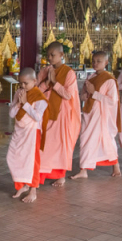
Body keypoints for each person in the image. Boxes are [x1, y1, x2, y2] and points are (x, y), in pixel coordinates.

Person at [37, 42, 81, 186]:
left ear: (61, 55)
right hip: (44, 112)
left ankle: (60, 175)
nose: (49, 57)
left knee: (60, 146)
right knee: (44, 146)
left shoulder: (69, 73)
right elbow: (36, 91)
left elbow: (68, 95)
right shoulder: (44, 71)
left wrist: (55, 83)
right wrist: (46, 82)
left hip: (61, 115)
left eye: (53, 55)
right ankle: (40, 176)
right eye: (48, 55)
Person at [72, 51, 121, 178]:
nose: (95, 63)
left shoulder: (109, 80)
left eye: (99, 61)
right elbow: (84, 96)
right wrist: (84, 95)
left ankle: (115, 165)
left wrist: (94, 93)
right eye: (93, 61)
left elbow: (112, 101)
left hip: (101, 116)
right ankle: (83, 170)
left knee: (106, 140)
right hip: (89, 113)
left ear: (106, 63)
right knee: (85, 140)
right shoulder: (90, 77)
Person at [6, 68, 47, 203]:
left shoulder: (39, 97)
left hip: (32, 132)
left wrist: (26, 104)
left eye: (26, 83)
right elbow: (12, 114)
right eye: (20, 83)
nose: (22, 86)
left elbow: (37, 117)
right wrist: (18, 103)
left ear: (34, 81)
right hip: (19, 131)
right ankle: (21, 185)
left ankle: (33, 190)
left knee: (31, 162)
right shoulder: (19, 92)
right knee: (12, 158)